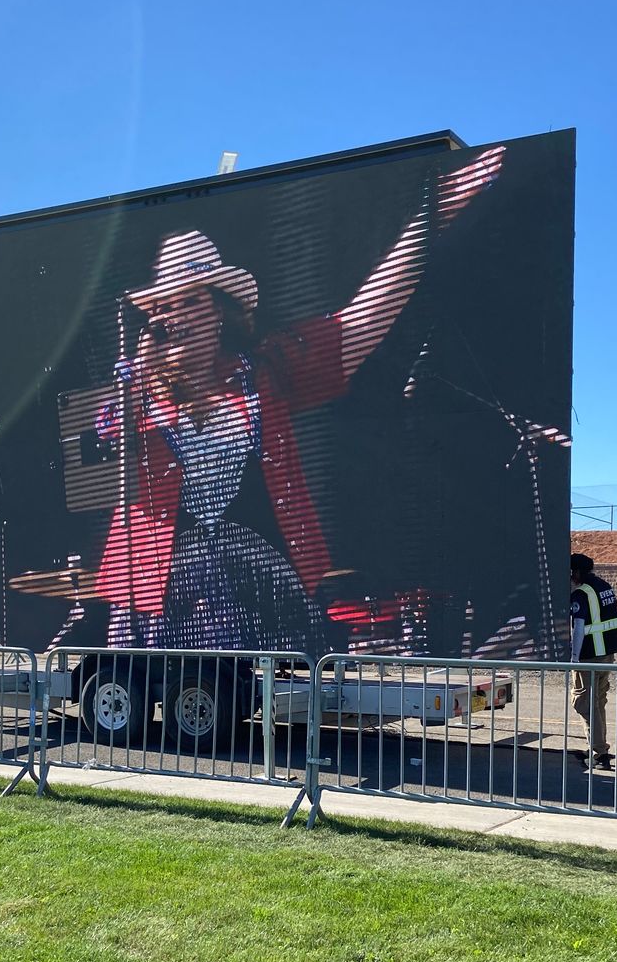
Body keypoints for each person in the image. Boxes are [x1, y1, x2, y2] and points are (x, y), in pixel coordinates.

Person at [93, 146, 506, 651]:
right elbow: (104, 448)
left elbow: (361, 322)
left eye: (191, 300)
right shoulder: (135, 390)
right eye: (165, 306)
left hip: (256, 585)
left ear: (220, 311)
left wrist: (430, 217)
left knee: (254, 687)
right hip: (154, 593)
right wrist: (138, 378)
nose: (175, 316)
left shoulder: (265, 370)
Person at [569, 551, 617, 769]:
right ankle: (598, 747)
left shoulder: (581, 593)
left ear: (576, 572)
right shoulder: (604, 586)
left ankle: (599, 753)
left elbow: (579, 627)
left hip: (589, 655)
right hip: (606, 654)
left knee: (584, 703)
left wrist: (574, 658)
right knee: (598, 702)